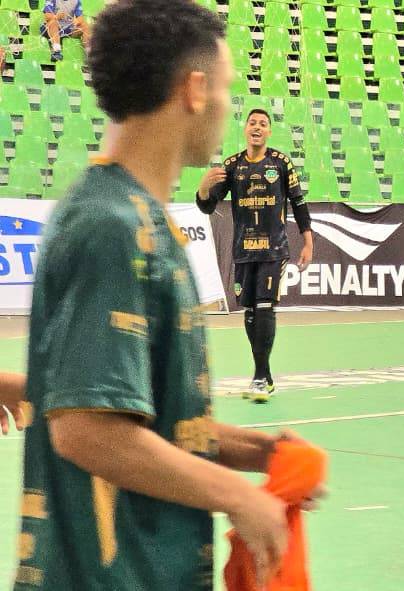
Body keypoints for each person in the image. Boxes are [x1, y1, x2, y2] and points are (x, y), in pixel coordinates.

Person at [17, 2, 320, 588]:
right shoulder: (108, 225)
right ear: (195, 89)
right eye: (228, 87)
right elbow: (88, 430)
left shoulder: (140, 219)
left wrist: (258, 452)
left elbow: (143, 416)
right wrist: (236, 494)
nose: (232, 108)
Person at [197, 108, 313, 403]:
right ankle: (264, 374)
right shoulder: (233, 166)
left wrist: (308, 241)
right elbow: (208, 207)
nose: (257, 127)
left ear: (269, 131)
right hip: (243, 250)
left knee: (264, 307)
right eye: (253, 123)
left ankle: (260, 377)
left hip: (274, 249)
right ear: (245, 129)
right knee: (249, 312)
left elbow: (298, 204)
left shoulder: (281, 163)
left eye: (263, 123)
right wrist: (202, 188)